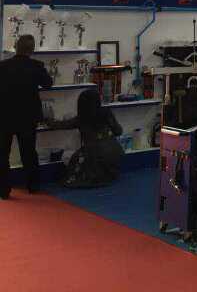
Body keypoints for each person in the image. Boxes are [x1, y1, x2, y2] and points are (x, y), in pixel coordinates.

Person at [0, 35, 54, 198]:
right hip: (28, 116)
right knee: (29, 152)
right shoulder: (37, 66)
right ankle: (33, 186)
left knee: (2, 153)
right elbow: (48, 84)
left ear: (16, 47)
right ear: (32, 50)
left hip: (5, 115)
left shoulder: (2, 66)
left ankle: (3, 190)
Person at [47, 89, 124, 187]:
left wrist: (48, 121)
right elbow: (118, 131)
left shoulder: (81, 118)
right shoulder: (107, 112)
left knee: (75, 159)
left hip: (95, 154)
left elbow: (61, 125)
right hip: (115, 151)